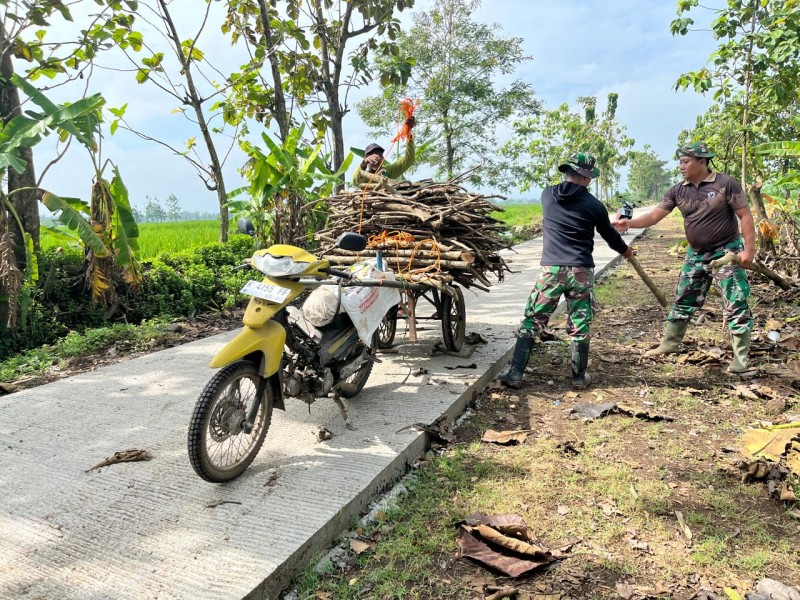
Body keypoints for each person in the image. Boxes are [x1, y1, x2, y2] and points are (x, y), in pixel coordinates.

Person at [613, 141, 755, 373]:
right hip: (696, 254)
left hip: (726, 252)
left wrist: (748, 251)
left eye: (685, 161)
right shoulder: (678, 190)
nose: (681, 166)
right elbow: (654, 216)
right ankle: (670, 343)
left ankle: (740, 357)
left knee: (735, 301)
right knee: (683, 298)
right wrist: (628, 223)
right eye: (680, 161)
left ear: (702, 161)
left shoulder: (725, 184)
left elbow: (745, 216)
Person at [499, 153, 633, 390]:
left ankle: (515, 375)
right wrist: (626, 251)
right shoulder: (594, 205)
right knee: (580, 322)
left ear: (567, 171)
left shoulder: (546, 195)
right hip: (581, 270)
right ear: (587, 177)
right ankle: (579, 377)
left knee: (533, 319)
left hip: (551, 270)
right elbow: (610, 237)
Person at [352, 117, 416, 187]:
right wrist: (363, 164)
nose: (376, 159)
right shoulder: (363, 176)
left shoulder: (388, 171)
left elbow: (409, 159)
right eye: (372, 157)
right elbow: (356, 182)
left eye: (379, 155)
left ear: (382, 158)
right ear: (366, 159)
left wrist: (409, 133)